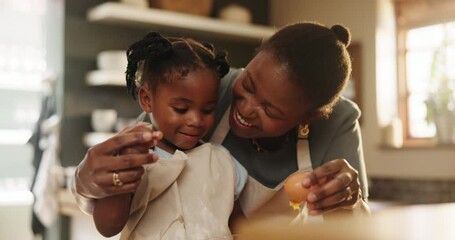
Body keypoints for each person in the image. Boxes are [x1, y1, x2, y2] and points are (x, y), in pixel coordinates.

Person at [73, 21, 370, 233]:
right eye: (249, 84)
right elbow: (111, 192)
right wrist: (89, 180)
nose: (246, 108)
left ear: (308, 118)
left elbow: (354, 229)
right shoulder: (208, 88)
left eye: (270, 110)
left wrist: (347, 201)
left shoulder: (338, 122)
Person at [89, 32, 248, 239]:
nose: (196, 120)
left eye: (208, 110)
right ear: (147, 99)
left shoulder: (223, 163)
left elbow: (242, 228)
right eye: (181, 109)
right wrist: (124, 171)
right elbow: (107, 226)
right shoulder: (136, 159)